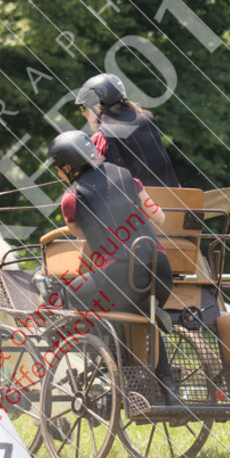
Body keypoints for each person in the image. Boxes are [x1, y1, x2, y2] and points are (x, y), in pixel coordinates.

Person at [42, 130, 181, 405]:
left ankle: (106, 365)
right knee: (145, 313)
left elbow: (80, 234)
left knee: (69, 295)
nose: (58, 174)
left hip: (121, 276)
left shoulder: (71, 197)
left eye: (58, 169)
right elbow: (159, 218)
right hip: (161, 272)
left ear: (68, 167)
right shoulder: (128, 177)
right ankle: (169, 388)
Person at [76, 73, 180, 187]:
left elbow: (90, 184)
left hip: (134, 197)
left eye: (83, 108)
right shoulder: (146, 120)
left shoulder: (101, 137)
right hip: (173, 194)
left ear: (95, 107)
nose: (83, 114)